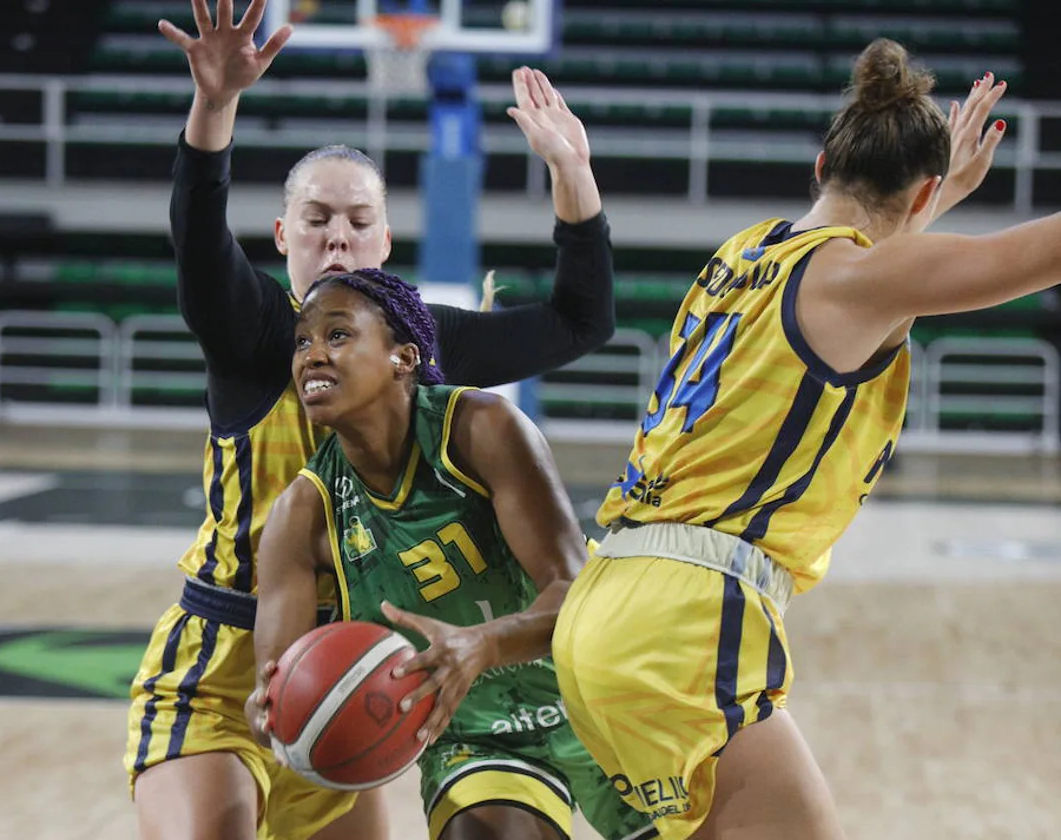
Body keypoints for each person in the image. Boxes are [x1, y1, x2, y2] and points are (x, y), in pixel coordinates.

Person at [124, 0, 615, 838]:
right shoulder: (256, 334)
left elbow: (581, 320)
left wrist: (573, 178)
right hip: (220, 650)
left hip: (353, 662)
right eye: (316, 220)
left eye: (358, 221)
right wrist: (215, 107)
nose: (338, 239)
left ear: (386, 240)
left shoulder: (420, 348)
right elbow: (201, 247)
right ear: (283, 236)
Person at [551, 39, 1031, 840]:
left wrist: (938, 195)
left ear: (820, 165)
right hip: (687, 620)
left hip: (605, 601)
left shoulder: (741, 253)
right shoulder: (855, 281)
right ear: (920, 200)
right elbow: (1010, 258)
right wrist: (943, 200)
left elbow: (867, 265)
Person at [246, 268, 657, 840]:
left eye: (337, 335)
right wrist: (275, 714)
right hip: (475, 735)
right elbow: (276, 688)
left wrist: (481, 646)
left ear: (403, 356)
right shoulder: (300, 515)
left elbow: (575, 593)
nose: (312, 354)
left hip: (599, 687)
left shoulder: (480, 428)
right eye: (302, 342)